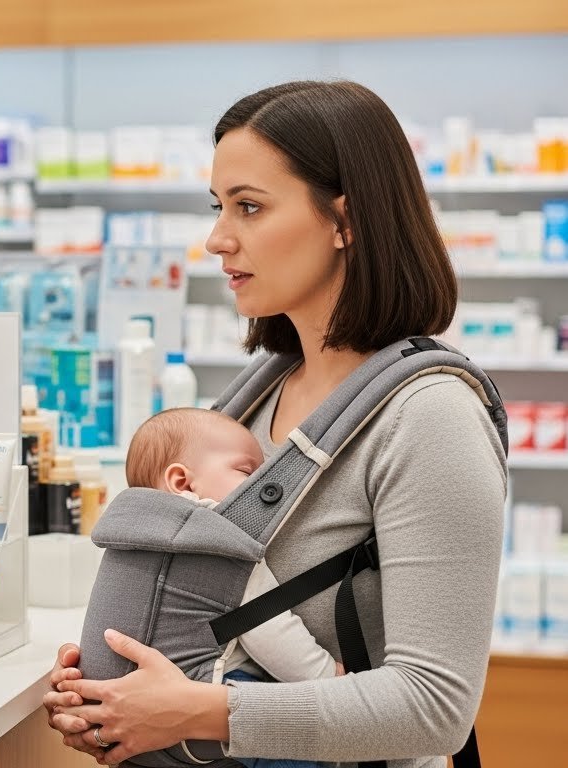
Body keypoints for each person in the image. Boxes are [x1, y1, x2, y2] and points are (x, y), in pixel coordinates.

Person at [43, 80, 506, 768]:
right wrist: (111, 693)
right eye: (218, 206)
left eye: (249, 207)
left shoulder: (428, 415)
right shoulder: (252, 398)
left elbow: (433, 706)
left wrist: (201, 711)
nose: (216, 238)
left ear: (343, 220)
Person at [123, 407, 343, 768]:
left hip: (133, 699)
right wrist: (326, 676)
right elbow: (270, 626)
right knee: (295, 741)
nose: (260, 486)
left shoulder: (128, 536)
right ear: (182, 482)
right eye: (247, 472)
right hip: (206, 695)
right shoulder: (223, 544)